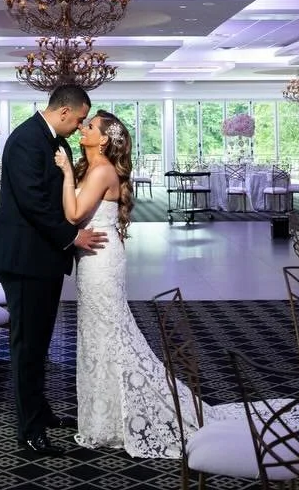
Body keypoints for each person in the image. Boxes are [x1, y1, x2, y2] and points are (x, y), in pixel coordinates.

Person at [57, 111, 228, 458]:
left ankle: (111, 418)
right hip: (93, 258)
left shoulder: (102, 170)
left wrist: (62, 173)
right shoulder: (90, 168)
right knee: (97, 333)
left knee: (107, 333)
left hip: (101, 260)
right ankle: (103, 415)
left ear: (103, 139)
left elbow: (74, 214)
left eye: (89, 126)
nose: (82, 128)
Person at [0, 86, 107, 458]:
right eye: (81, 118)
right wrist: (73, 236)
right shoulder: (26, 140)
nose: (81, 125)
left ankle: (40, 411)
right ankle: (29, 430)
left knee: (37, 342)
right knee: (28, 346)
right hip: (24, 258)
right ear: (65, 111)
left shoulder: (53, 139)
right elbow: (34, 201)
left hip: (41, 257)